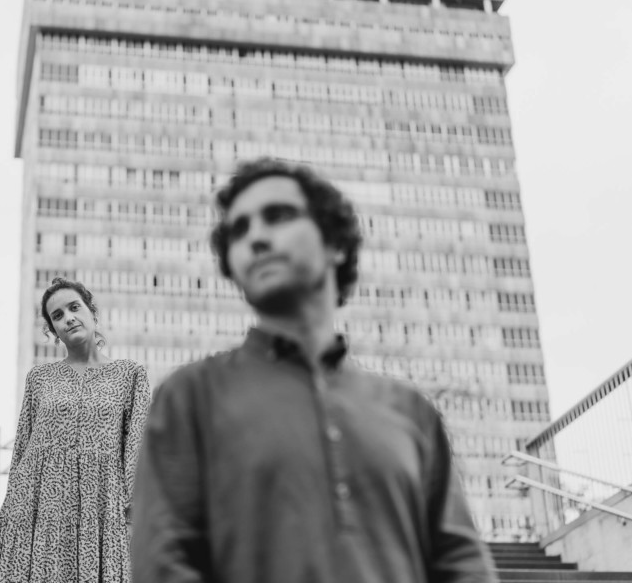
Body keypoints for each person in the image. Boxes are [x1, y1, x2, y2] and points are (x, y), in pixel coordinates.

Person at [131, 158, 496, 583]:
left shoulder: (413, 411)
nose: (257, 238)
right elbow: (163, 562)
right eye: (239, 230)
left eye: (278, 216)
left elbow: (462, 563)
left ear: (335, 244)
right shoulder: (189, 395)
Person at [0, 277, 151, 583]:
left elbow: (137, 451)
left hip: (102, 503)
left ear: (92, 312)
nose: (68, 318)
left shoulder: (131, 375)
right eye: (57, 316)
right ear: (52, 330)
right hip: (41, 504)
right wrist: (14, 513)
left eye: (74, 307)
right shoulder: (39, 378)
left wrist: (133, 510)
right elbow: (22, 449)